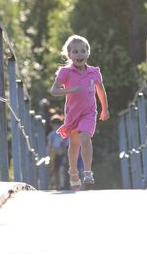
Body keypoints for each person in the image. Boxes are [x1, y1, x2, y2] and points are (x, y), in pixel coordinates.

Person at [50, 34, 109, 190]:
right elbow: (54, 90)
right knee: (74, 145)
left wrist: (105, 109)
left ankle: (88, 171)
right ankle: (73, 171)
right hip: (72, 114)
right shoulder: (65, 72)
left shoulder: (94, 72)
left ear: (88, 53)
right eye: (75, 52)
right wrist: (69, 90)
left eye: (83, 50)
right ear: (69, 55)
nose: (79, 54)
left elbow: (101, 91)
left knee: (85, 136)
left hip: (89, 113)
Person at [46, 114, 69, 189]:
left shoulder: (63, 133)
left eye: (57, 123)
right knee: (55, 169)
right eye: (54, 124)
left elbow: (67, 144)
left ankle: (62, 185)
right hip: (54, 154)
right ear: (51, 125)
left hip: (62, 153)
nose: (56, 125)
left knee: (61, 169)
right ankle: (56, 185)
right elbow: (49, 144)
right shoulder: (51, 134)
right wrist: (48, 154)